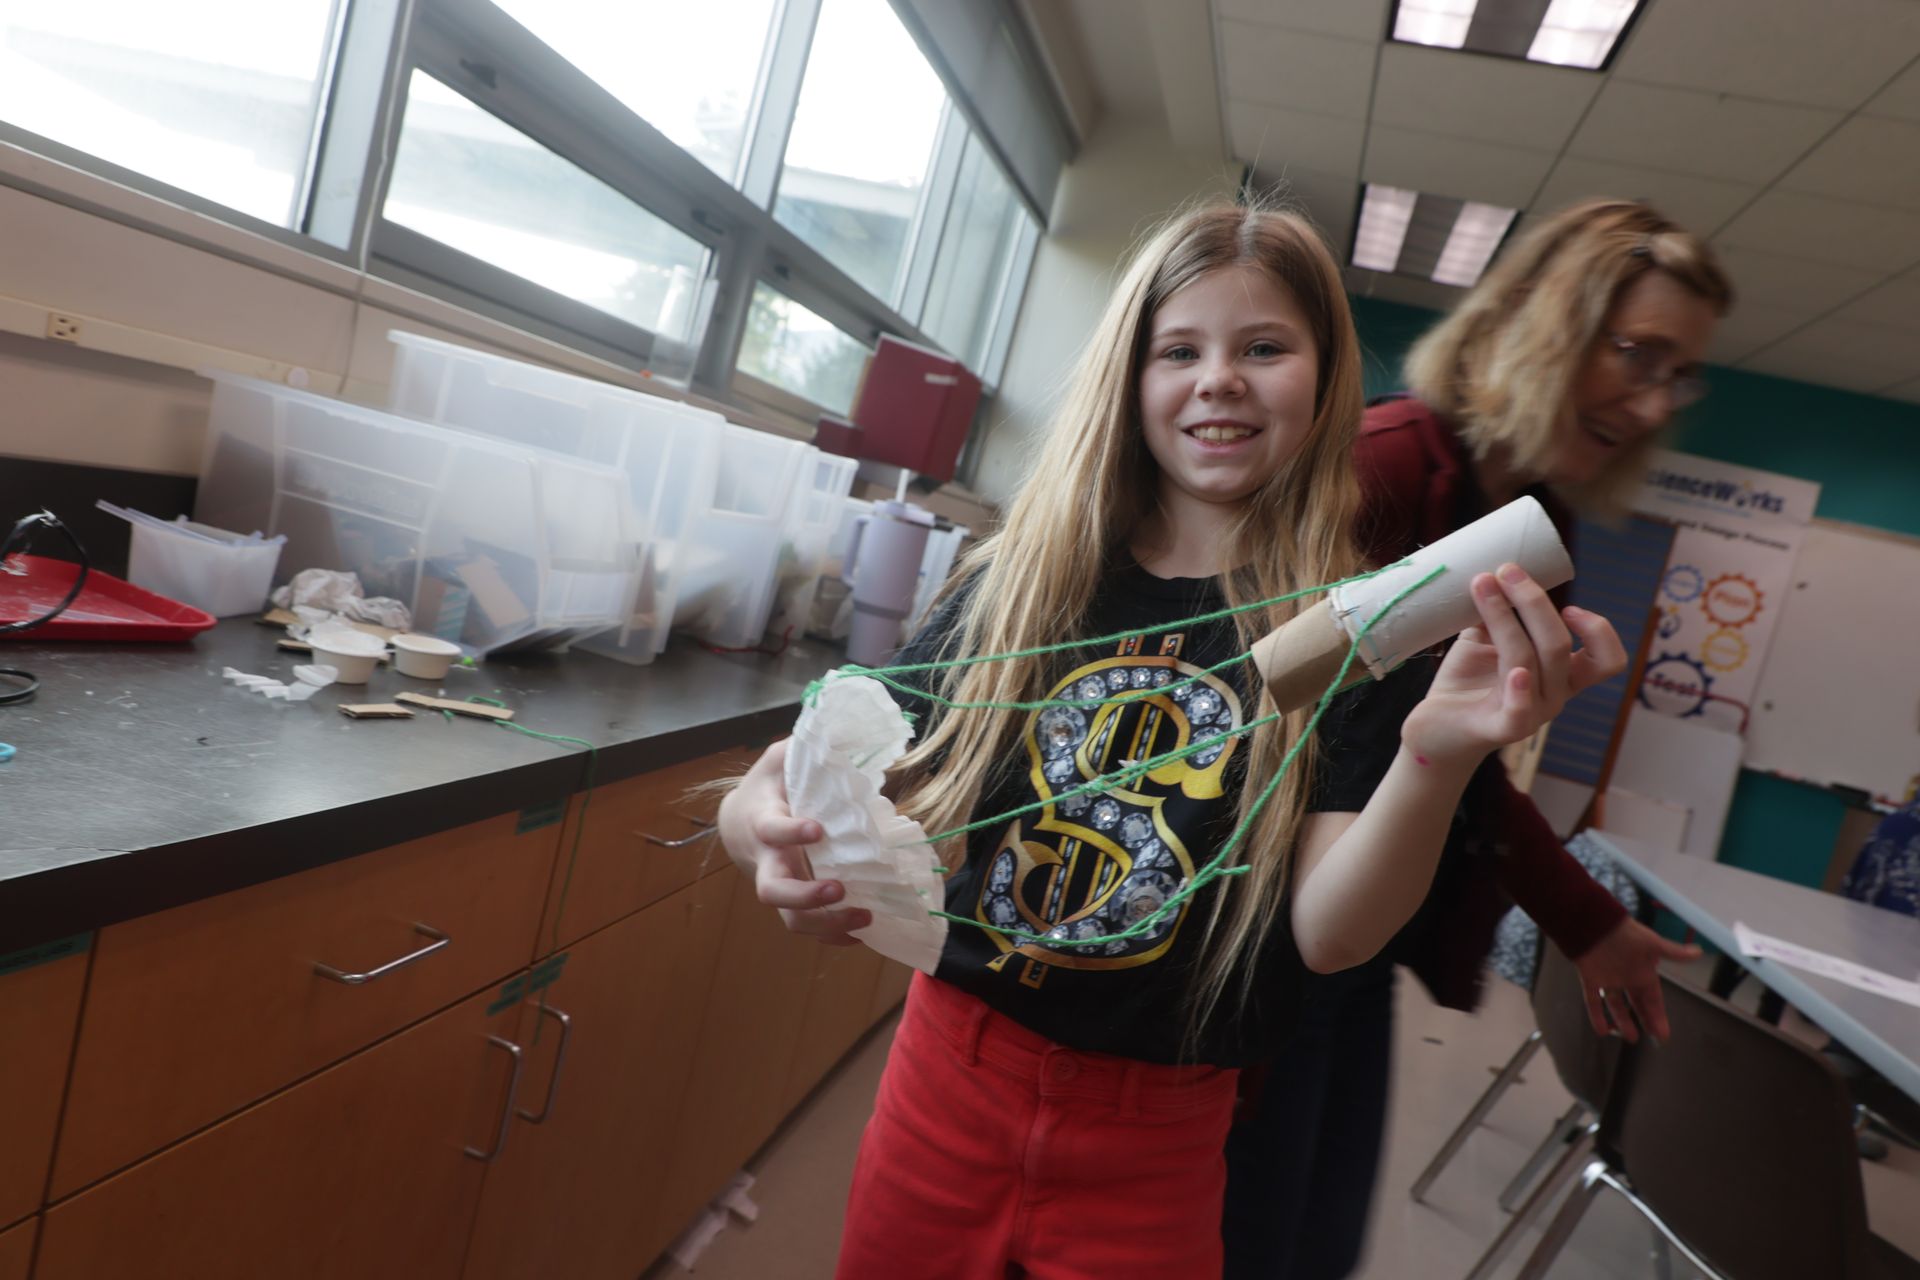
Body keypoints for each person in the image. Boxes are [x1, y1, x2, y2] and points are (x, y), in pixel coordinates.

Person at [718, 200, 1626, 1280]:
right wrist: (760, 830)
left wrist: (1440, 752)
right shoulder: (1020, 586)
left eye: (1265, 348)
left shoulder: (1351, 633)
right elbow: (802, 774)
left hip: (1159, 1134)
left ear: (1325, 379)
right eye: (1179, 349)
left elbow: (1331, 936)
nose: (1220, 378)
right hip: (943, 1083)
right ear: (1129, 379)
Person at [1220, 198, 1735, 1279]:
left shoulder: (1536, 518)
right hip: (1268, 943)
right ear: (1542, 316)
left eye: (1676, 374)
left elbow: (1456, 767)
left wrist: (1589, 920)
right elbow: (1240, 701)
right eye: (1634, 352)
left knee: (1312, 1245)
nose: (1650, 401)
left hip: (1356, 943)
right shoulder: (1395, 465)